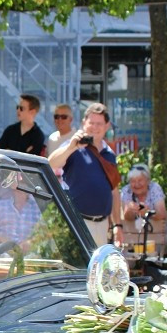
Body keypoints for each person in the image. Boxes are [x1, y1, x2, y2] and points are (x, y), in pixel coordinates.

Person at [47, 103, 123, 247]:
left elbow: (114, 192)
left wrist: (118, 225)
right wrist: (71, 147)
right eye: (91, 123)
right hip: (76, 222)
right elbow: (51, 164)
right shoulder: (74, 146)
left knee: (97, 268)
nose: (95, 127)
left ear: (107, 126)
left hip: (102, 225)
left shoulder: (109, 154)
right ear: (83, 123)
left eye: (99, 123)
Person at [119, 163, 167, 255]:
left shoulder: (155, 188)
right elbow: (126, 217)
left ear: (148, 180)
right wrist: (131, 211)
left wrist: (148, 212)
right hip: (131, 239)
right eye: (133, 181)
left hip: (155, 238)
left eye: (140, 180)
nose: (136, 184)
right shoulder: (126, 191)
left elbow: (162, 213)